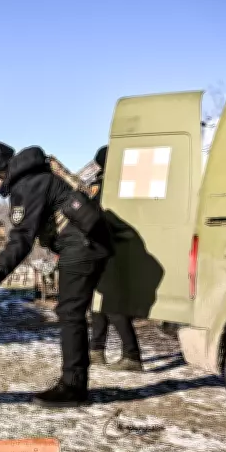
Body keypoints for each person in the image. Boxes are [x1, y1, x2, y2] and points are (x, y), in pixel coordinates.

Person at [0, 142, 113, 407]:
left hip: (81, 246)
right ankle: (75, 380)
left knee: (70, 313)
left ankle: (73, 387)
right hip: (87, 243)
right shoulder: (37, 174)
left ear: (0, 169)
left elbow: (21, 241)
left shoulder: (26, 185)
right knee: (74, 312)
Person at [86, 145, 144, 372]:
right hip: (113, 247)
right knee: (98, 301)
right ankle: (96, 350)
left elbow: (95, 212)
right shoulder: (121, 184)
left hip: (108, 248)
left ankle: (132, 355)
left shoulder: (106, 186)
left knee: (110, 302)